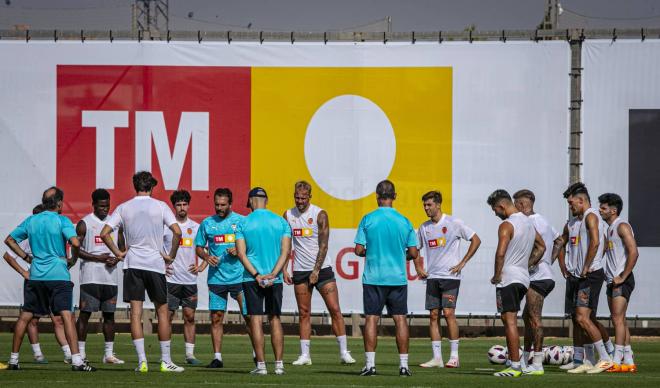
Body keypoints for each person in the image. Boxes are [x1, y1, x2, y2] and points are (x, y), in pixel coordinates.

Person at [101, 171, 184, 373]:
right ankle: (165, 361)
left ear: (135, 185)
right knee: (163, 312)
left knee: (135, 314)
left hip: (133, 264)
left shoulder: (124, 207)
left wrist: (119, 253)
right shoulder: (160, 206)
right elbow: (178, 231)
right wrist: (170, 255)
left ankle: (142, 362)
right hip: (155, 265)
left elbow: (104, 233)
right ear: (152, 186)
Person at [4, 187, 95, 371]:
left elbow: (9, 240)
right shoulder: (62, 220)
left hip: (36, 275)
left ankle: (13, 359)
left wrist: (27, 258)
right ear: (60, 203)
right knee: (67, 316)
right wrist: (73, 259)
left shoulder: (32, 220)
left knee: (25, 316)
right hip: (58, 274)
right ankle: (77, 361)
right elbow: (76, 242)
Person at [283, 181, 355, 366]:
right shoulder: (288, 215)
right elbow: (285, 245)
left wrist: (316, 270)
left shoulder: (319, 214)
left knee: (335, 309)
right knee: (304, 312)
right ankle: (305, 355)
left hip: (322, 270)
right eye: (297, 197)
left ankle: (344, 352)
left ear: (310, 197)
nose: (299, 201)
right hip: (300, 270)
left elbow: (324, 244)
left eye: (303, 198)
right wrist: (284, 268)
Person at [354, 180, 419, 377]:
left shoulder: (368, 219)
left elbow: (358, 250)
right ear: (395, 196)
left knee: (372, 319)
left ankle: (371, 365)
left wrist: (371, 251)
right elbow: (414, 253)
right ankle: (404, 366)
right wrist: (401, 255)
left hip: (374, 278)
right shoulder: (404, 221)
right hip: (397, 278)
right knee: (400, 320)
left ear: (376, 196)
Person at [415, 190, 481, 369]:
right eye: (424, 205)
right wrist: (418, 267)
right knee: (433, 315)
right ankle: (437, 358)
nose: (426, 208)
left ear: (438, 204)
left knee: (449, 313)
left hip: (450, 277)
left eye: (429, 205)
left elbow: (476, 240)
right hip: (432, 277)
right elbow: (415, 249)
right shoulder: (424, 227)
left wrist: (462, 262)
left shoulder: (454, 223)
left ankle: (454, 356)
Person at [3, 204, 72, 364]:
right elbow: (8, 255)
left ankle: (68, 353)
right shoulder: (32, 234)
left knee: (58, 318)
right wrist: (24, 271)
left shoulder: (41, 231)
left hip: (49, 278)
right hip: (36, 279)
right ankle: (36, 354)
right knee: (31, 318)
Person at [557, 182, 614, 374]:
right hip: (575, 276)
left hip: (589, 275)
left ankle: (606, 358)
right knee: (576, 319)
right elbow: (561, 242)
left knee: (583, 317)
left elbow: (598, 242)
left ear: (582, 201)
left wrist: (588, 265)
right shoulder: (572, 222)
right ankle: (582, 359)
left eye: (572, 203)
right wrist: (562, 264)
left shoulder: (591, 216)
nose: (570, 207)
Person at [486, 189, 545, 378]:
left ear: (502, 206)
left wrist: (496, 275)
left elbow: (500, 253)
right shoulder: (528, 222)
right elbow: (541, 246)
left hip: (509, 278)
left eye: (495, 210)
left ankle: (515, 366)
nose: (495, 213)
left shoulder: (506, 224)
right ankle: (518, 362)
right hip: (523, 278)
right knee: (513, 319)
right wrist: (527, 264)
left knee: (508, 320)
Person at [235, 187, 292, 376]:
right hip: (274, 279)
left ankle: (261, 366)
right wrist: (274, 273)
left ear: (251, 201)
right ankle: (279, 365)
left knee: (256, 321)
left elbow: (241, 254)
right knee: (275, 319)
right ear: (266, 200)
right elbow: (285, 252)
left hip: (252, 278)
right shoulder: (281, 222)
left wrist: (257, 275)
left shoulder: (243, 223)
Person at [195, 188, 253, 369]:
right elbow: (198, 246)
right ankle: (217, 358)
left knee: (249, 316)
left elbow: (252, 245)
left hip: (240, 278)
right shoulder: (207, 223)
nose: (219, 208)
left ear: (230, 204)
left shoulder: (241, 221)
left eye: (223, 205)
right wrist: (206, 256)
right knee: (216, 318)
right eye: (217, 204)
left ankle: (256, 353)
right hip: (216, 280)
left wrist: (239, 250)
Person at [513, 189, 563, 375]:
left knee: (534, 319)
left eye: (516, 205)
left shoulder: (531, 222)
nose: (515, 209)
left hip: (539, 277)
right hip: (541, 274)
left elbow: (539, 248)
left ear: (523, 204)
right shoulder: (544, 220)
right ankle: (526, 360)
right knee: (527, 318)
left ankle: (538, 363)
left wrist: (525, 266)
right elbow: (559, 240)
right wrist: (550, 260)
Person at [75, 189, 125, 364]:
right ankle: (80, 354)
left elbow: (122, 248)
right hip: (90, 277)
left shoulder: (115, 224)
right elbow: (76, 250)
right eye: (101, 206)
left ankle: (108, 354)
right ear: (94, 205)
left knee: (110, 316)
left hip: (110, 278)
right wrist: (98, 258)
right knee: (85, 315)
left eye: (107, 205)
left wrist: (117, 260)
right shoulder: (85, 223)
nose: (105, 209)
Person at [599, 193, 638, 373]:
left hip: (621, 279)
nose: (600, 210)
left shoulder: (621, 226)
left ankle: (616, 359)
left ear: (613, 210)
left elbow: (634, 252)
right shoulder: (609, 228)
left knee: (617, 319)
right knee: (620, 319)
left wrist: (622, 276)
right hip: (612, 280)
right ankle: (628, 360)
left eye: (604, 207)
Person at [164, 189, 204, 365]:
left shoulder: (196, 227)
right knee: (168, 317)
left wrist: (201, 266)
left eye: (184, 204)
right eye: (178, 204)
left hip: (189, 280)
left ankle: (190, 355)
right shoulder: (166, 227)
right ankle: (166, 355)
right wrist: (161, 266)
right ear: (174, 207)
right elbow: (154, 249)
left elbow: (206, 250)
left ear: (188, 205)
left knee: (189, 317)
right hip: (171, 280)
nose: (181, 207)